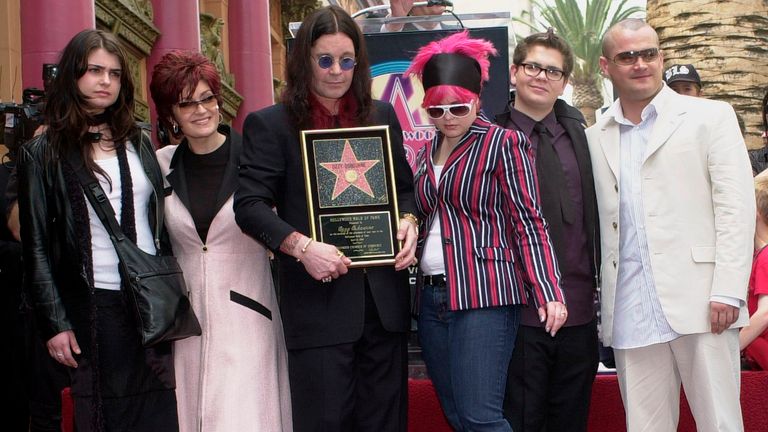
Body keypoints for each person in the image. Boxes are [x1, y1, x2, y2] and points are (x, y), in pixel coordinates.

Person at [234, 6, 417, 432]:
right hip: (317, 307)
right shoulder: (271, 125)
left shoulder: (382, 117)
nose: (337, 71)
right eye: (325, 60)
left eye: (347, 61)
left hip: (383, 306)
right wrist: (301, 247)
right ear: (304, 60)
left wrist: (409, 221)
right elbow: (249, 205)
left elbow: (404, 189)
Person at [588, 18, 754, 431]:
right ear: (606, 66)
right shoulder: (595, 136)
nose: (641, 63)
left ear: (661, 57)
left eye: (649, 53)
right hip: (630, 303)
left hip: (704, 300)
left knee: (720, 422)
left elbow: (736, 207)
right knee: (644, 425)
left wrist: (729, 289)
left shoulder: (710, 116)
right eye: (628, 56)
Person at [404, 30, 566, 431]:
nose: (447, 118)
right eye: (436, 111)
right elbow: (425, 214)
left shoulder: (503, 143)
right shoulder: (425, 152)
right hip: (431, 298)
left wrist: (548, 290)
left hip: (484, 294)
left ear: (477, 100)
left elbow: (528, 220)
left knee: (481, 416)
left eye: (458, 108)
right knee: (459, 415)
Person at [16, 29, 179, 431]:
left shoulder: (138, 142)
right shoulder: (42, 153)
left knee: (159, 414)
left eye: (115, 73)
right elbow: (35, 246)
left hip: (149, 307)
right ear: (73, 76)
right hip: (91, 307)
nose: (105, 81)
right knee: (103, 415)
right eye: (94, 71)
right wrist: (55, 323)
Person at [150, 50, 292, 431]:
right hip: (187, 328)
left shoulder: (257, 160)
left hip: (250, 321)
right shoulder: (160, 165)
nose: (200, 110)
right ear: (170, 115)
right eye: (186, 103)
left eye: (207, 98)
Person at [494, 29, 599, 432]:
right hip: (517, 313)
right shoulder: (489, 135)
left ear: (565, 82)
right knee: (520, 421)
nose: (541, 76)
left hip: (579, 314)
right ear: (515, 72)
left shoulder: (581, 133)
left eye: (553, 71)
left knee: (571, 421)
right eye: (533, 66)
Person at [740, 174, 768, 370]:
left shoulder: (766, 257)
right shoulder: (759, 255)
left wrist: (733, 348)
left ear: (755, 213)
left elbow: (765, 312)